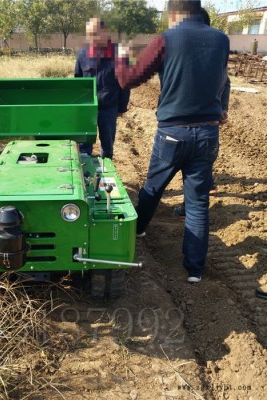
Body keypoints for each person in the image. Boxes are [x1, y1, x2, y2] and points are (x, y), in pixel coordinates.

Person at [116, 0, 230, 283]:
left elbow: (129, 80)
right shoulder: (221, 40)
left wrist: (121, 57)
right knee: (197, 202)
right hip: (207, 132)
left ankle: (138, 230)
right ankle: (195, 271)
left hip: (172, 132)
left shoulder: (165, 39)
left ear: (174, 13)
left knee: (154, 187)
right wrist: (222, 107)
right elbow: (223, 80)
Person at [173, 6, 231, 218]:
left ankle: (193, 203)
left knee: (192, 167)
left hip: (190, 124)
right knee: (198, 166)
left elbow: (227, 81)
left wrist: (223, 108)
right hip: (205, 124)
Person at [75, 17, 130, 159]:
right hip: (88, 109)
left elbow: (125, 84)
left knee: (107, 145)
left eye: (94, 34)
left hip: (109, 108)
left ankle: (105, 172)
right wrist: (79, 107)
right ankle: (85, 174)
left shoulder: (119, 53)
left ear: (105, 32)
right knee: (84, 146)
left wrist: (121, 108)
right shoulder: (83, 54)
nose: (91, 38)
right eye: (89, 34)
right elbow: (78, 81)